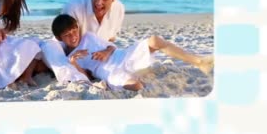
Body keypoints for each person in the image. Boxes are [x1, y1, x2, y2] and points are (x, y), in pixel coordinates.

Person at [51, 14, 214, 91]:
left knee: (154, 40)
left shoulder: (89, 36)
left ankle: (199, 62)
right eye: (67, 34)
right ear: (60, 38)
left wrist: (106, 52)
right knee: (135, 85)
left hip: (121, 56)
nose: (73, 36)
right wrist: (74, 64)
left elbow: (111, 47)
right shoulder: (69, 59)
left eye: (74, 30)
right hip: (107, 72)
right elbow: (87, 77)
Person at [40, 0, 125, 83]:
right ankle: (78, 79)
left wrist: (105, 52)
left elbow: (110, 39)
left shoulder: (119, 9)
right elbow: (64, 40)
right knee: (50, 47)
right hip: (68, 53)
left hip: (98, 56)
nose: (98, 3)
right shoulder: (74, 6)